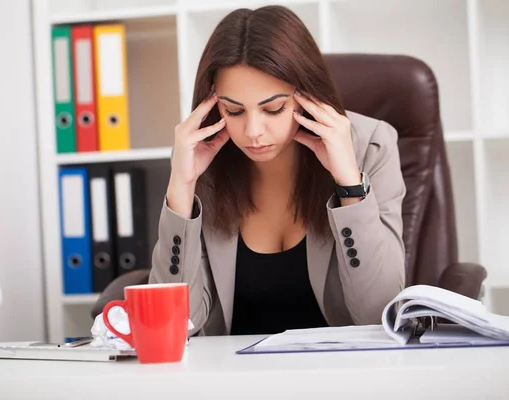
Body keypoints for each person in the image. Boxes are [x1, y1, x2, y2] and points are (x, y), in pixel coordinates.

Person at [149, 5, 406, 336]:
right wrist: (182, 190)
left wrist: (349, 183)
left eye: (273, 109)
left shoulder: (370, 145)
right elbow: (172, 326)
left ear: (307, 96)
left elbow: (379, 313)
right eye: (234, 110)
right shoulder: (200, 158)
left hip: (342, 379)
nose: (253, 131)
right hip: (230, 380)